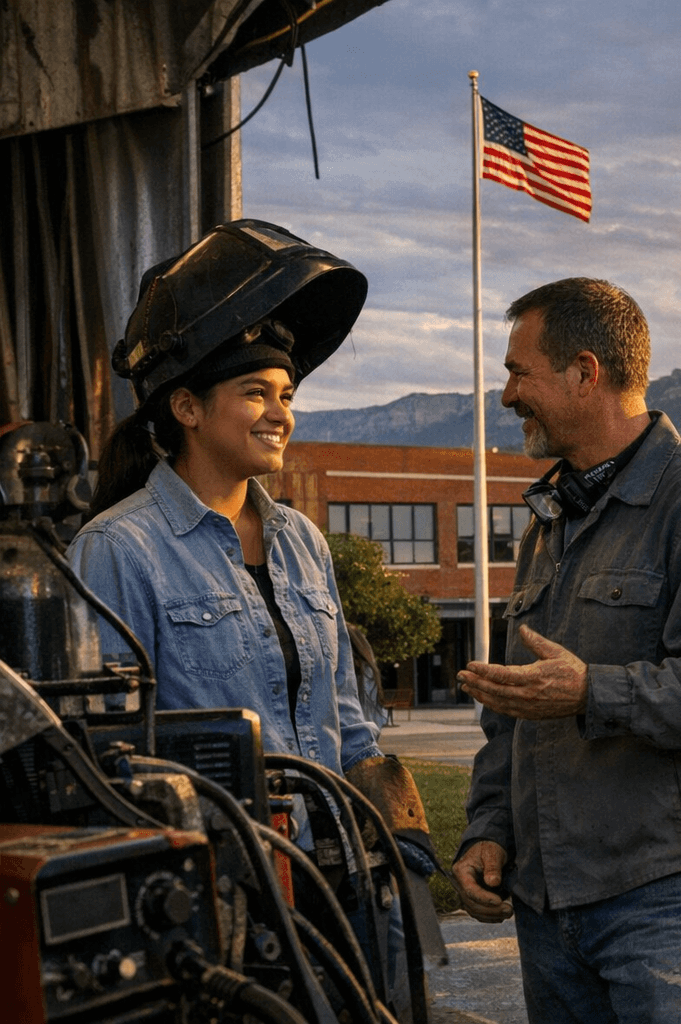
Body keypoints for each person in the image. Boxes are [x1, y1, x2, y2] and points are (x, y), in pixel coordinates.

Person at [67, 219, 430, 1017]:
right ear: (188, 407)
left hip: (338, 889)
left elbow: (348, 721)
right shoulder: (117, 549)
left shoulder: (301, 540)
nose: (280, 414)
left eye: (288, 395)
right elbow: (105, 761)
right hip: (221, 902)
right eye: (256, 394)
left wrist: (400, 836)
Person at [449, 278, 681, 1024]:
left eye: (519, 373)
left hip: (674, 898)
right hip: (549, 906)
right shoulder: (549, 520)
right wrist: (488, 830)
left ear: (584, 372)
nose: (507, 396)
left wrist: (591, 693)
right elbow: (514, 717)